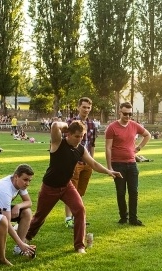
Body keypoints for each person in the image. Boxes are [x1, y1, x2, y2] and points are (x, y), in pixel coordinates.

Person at [24, 120, 122, 253]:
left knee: (80, 210)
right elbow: (54, 125)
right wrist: (65, 127)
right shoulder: (58, 143)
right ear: (68, 134)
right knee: (40, 217)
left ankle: (79, 246)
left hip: (66, 186)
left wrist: (109, 171)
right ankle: (26, 238)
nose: (79, 139)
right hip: (50, 187)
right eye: (77, 136)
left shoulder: (81, 149)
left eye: (82, 136)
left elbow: (93, 163)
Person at [105, 102, 151, 226]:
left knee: (133, 192)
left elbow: (147, 135)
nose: (127, 116)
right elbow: (108, 148)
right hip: (117, 164)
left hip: (131, 164)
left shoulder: (134, 125)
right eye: (125, 114)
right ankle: (123, 217)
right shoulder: (112, 127)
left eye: (130, 114)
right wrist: (109, 167)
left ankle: (133, 218)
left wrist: (138, 148)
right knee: (121, 192)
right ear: (119, 112)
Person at [0, 164, 36, 258]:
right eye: (25, 179)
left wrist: (18, 206)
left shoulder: (18, 184)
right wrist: (22, 244)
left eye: (29, 180)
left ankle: (18, 248)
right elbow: (7, 222)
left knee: (27, 212)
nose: (27, 183)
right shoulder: (4, 190)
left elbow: (29, 202)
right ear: (16, 176)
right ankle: (19, 245)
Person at [65, 97, 98, 227]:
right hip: (73, 162)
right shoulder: (70, 122)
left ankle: (77, 217)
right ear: (78, 107)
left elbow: (92, 144)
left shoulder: (92, 125)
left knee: (80, 192)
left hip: (87, 162)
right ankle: (68, 219)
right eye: (84, 107)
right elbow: (65, 143)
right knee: (70, 191)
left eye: (88, 107)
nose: (86, 110)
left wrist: (92, 162)